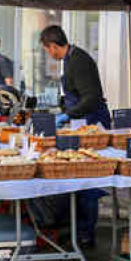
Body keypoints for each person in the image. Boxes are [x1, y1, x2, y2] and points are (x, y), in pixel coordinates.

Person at [40, 25, 110, 247]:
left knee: (88, 181)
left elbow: (91, 97)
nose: (48, 53)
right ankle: (76, 228)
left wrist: (67, 115)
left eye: (46, 49)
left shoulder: (78, 61)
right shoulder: (70, 60)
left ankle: (86, 233)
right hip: (79, 122)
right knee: (78, 178)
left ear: (53, 46)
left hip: (92, 124)